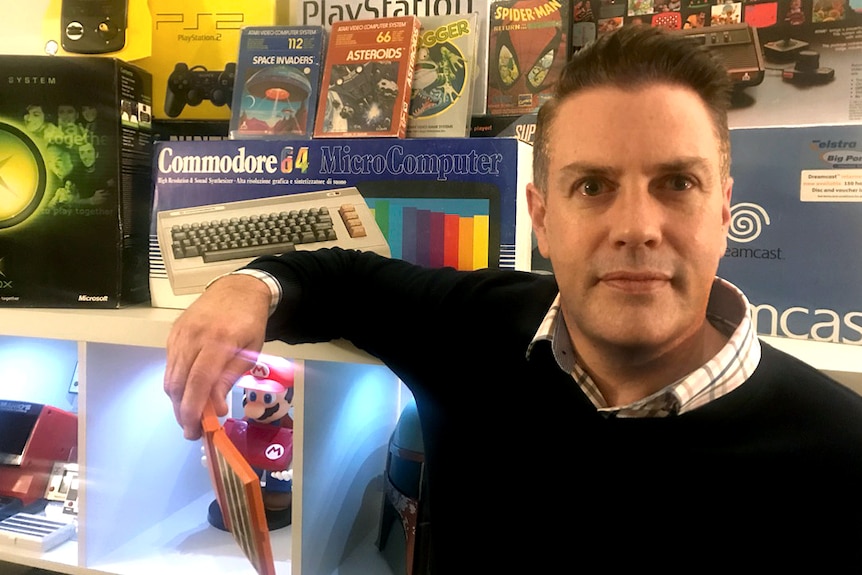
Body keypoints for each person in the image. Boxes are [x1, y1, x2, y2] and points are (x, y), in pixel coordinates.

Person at [164, 25, 862, 567]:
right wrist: (247, 285)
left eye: (677, 183)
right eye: (592, 186)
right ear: (543, 215)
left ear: (724, 210)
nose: (637, 228)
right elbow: (339, 278)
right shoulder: (476, 327)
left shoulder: (840, 449)